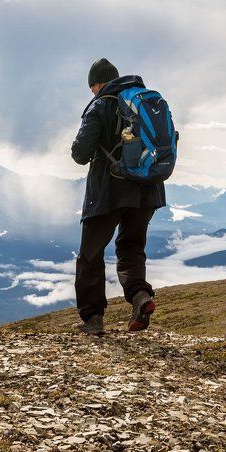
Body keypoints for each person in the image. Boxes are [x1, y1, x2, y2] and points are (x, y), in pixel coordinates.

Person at [70, 58, 166, 336]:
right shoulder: (146, 101)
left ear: (98, 83)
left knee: (91, 254)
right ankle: (140, 297)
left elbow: (80, 154)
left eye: (92, 88)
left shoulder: (100, 104)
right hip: (147, 188)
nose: (92, 92)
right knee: (131, 247)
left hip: (108, 190)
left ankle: (93, 319)